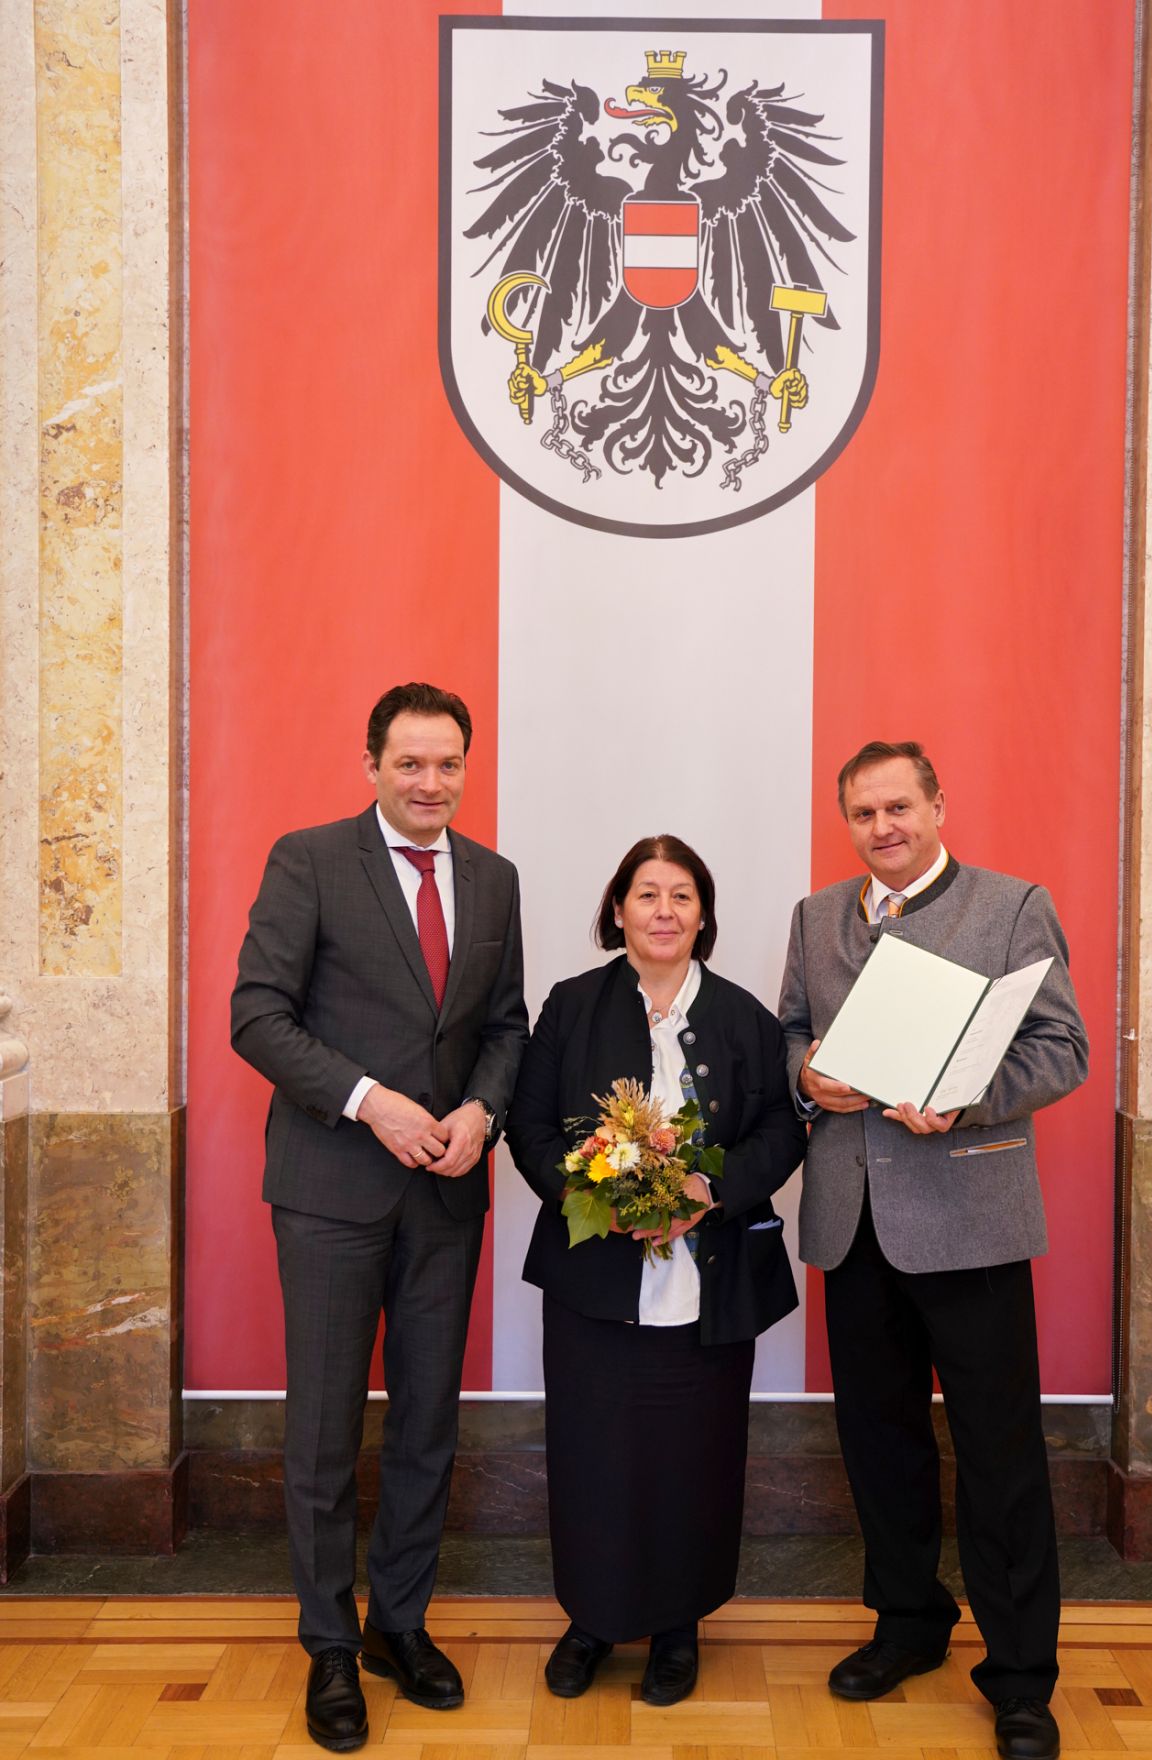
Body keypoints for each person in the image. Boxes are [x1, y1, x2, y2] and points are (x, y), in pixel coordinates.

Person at [231, 682, 527, 1753]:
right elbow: (256, 1016)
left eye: (448, 763)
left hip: (446, 1192)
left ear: (465, 767)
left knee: (426, 1421)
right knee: (322, 1429)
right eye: (410, 762)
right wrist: (371, 1101)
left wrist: (484, 1111)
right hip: (330, 1190)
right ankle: (328, 1644)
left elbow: (505, 1025)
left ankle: (399, 1621)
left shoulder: (493, 877)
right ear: (371, 766)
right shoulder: (309, 860)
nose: (430, 782)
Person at [779, 741, 1087, 1760]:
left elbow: (1062, 1048)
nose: (884, 827)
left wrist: (968, 1099)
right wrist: (805, 1075)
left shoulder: (1013, 905)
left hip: (972, 1221)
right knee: (880, 1441)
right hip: (852, 1221)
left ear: (938, 804)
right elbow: (791, 1032)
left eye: (899, 807)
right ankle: (908, 1621)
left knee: (1000, 1453)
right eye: (864, 813)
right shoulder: (817, 916)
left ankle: (1021, 1677)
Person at [507, 836, 805, 1707]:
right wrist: (592, 1196)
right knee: (592, 1456)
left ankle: (678, 1626)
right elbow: (529, 1128)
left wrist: (710, 1189)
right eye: (647, 894)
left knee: (694, 1461)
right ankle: (593, 1620)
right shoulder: (571, 1006)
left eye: (682, 895)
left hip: (711, 1291)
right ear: (619, 911)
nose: (664, 910)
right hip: (595, 1285)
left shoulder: (743, 1017)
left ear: (703, 915)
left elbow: (782, 1133)